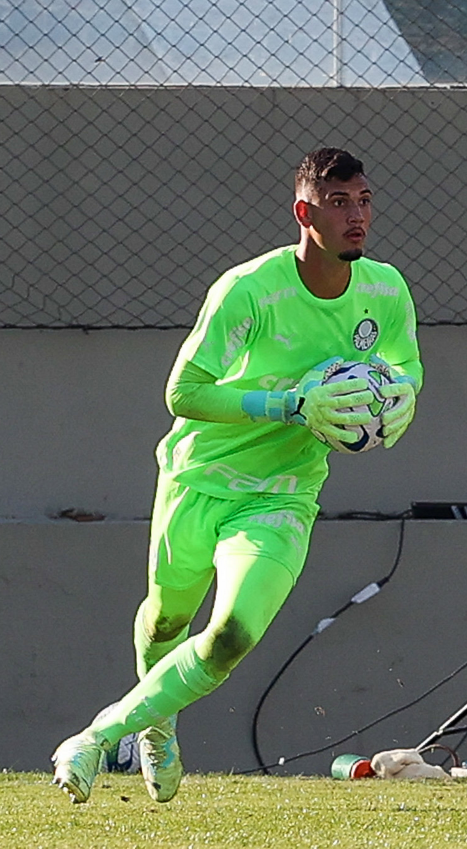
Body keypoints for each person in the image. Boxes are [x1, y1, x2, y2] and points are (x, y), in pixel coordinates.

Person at [52, 147, 422, 804]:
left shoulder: (385, 290)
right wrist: (288, 405)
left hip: (282, 497)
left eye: (364, 200)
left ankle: (94, 737)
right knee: (166, 621)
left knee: (230, 636)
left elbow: (407, 365)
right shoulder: (250, 289)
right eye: (339, 203)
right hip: (199, 478)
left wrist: (404, 397)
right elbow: (183, 392)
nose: (357, 216)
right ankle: (158, 724)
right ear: (304, 213)